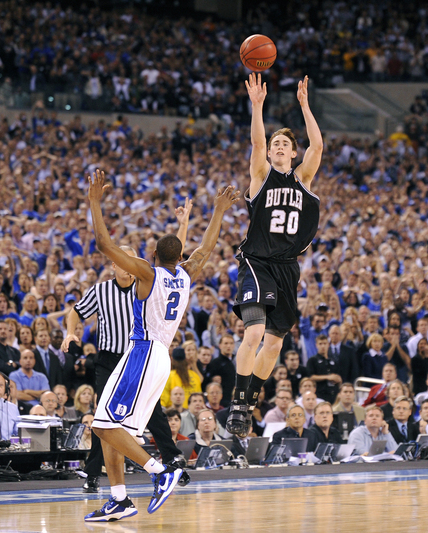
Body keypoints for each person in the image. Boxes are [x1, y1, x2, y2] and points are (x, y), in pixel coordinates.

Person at [84, 169, 238, 522]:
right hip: (159, 356)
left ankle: (159, 471)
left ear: (152, 254)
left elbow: (105, 246)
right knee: (112, 428)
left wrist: (94, 202)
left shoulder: (147, 273)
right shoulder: (186, 273)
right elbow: (207, 247)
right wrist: (218, 211)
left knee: (101, 425)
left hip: (142, 352)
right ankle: (120, 498)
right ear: (179, 256)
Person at [63, 200, 195, 494]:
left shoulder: (149, 280)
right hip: (112, 359)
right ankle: (109, 487)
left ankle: (165, 466)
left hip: (139, 357)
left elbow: (171, 257)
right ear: (115, 265)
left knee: (130, 420)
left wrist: (183, 226)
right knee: (105, 421)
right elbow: (76, 311)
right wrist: (71, 332)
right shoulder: (102, 290)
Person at [227, 73, 323, 438]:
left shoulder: (304, 179)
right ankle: (238, 398)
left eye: (285, 144)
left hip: (287, 268)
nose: (279, 147)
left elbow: (318, 145)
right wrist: (257, 106)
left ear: (293, 153)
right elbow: (254, 142)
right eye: (275, 144)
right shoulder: (261, 174)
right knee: (252, 334)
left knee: (275, 343)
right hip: (256, 262)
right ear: (269, 152)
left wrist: (305, 105)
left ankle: (250, 398)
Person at [306, 334, 342, 404]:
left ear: (328, 345)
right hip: (320, 394)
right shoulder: (312, 360)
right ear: (316, 345)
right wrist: (328, 377)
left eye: (325, 343)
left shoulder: (334, 360)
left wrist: (339, 380)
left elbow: (338, 377)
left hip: (334, 395)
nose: (323, 346)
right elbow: (310, 377)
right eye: (320, 344)